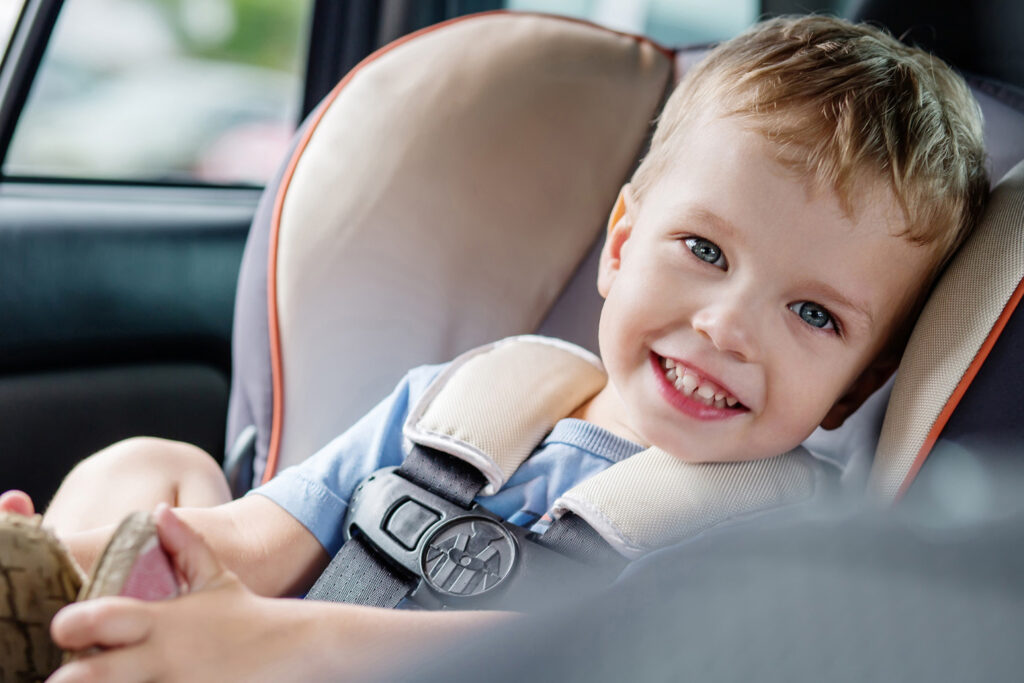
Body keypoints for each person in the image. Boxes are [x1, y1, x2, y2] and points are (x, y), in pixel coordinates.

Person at [0, 14, 989, 681]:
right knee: (150, 466)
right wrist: (94, 558)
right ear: (619, 243)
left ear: (858, 384)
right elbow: (266, 534)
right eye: (702, 249)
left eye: (813, 314)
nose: (727, 324)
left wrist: (268, 643)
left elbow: (583, 658)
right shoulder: (476, 396)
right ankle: (50, 597)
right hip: (244, 642)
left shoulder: (789, 541)